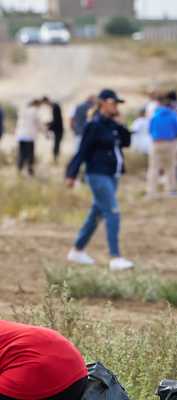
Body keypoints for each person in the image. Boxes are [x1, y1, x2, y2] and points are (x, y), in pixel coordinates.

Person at [65, 88, 132, 270]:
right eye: (113, 102)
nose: (116, 106)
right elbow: (83, 150)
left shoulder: (112, 124)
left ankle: (77, 250)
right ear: (102, 102)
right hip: (97, 174)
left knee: (97, 213)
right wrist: (71, 174)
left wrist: (121, 124)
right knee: (112, 211)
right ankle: (115, 257)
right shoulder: (94, 125)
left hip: (113, 174)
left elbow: (126, 142)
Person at [147, 97, 177, 199]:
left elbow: (150, 129)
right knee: (170, 167)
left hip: (156, 143)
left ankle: (151, 192)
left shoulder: (155, 115)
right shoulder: (173, 115)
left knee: (154, 168)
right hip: (169, 143)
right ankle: (170, 191)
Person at [15, 99, 46, 176]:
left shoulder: (23, 111)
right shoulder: (34, 112)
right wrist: (46, 133)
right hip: (29, 136)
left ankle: (19, 170)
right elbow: (39, 124)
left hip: (20, 135)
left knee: (21, 154)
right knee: (30, 155)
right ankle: (30, 173)